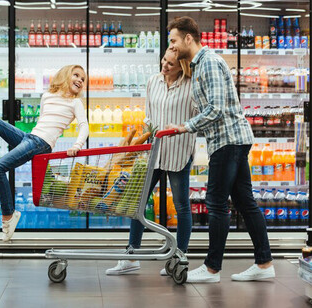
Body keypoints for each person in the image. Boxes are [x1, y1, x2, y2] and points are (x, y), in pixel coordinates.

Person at [166, 16, 275, 283]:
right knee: (245, 203)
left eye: (173, 40)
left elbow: (216, 109)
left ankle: (212, 268)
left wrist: (184, 127)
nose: (171, 45)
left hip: (228, 141)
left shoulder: (209, 63)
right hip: (229, 140)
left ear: (188, 38)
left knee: (216, 203)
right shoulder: (198, 66)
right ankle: (264, 263)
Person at [0, 65, 89, 242]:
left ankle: (8, 215)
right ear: (65, 75)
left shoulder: (75, 102)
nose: (80, 80)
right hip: (30, 137)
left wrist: (77, 145)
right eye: (76, 75)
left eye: (83, 79)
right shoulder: (47, 96)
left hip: (41, 143)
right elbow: (43, 120)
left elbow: (84, 126)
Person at [106, 48, 197, 276]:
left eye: (171, 64)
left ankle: (180, 256)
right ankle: (132, 255)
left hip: (179, 150)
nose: (165, 66)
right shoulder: (153, 81)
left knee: (181, 205)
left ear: (182, 67)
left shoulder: (192, 84)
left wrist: (181, 128)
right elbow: (148, 116)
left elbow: (198, 117)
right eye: (164, 61)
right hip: (154, 152)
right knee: (138, 202)